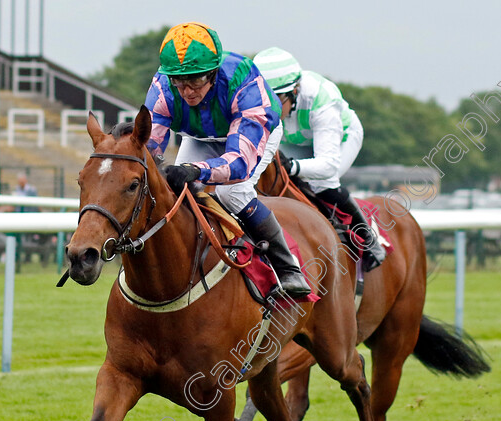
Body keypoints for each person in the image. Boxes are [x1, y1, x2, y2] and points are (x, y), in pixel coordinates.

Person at [143, 22, 310, 297]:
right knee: (173, 192)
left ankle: (287, 267)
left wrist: (194, 170)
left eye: (196, 80)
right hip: (199, 136)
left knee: (232, 193)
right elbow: (148, 147)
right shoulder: (163, 85)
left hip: (252, 131)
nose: (187, 92)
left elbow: (238, 165)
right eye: (180, 82)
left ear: (214, 72)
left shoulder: (243, 80)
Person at [253, 47, 386, 271]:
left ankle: (369, 240)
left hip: (341, 137)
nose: (271, 109)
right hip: (296, 140)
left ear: (295, 91)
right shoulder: (270, 99)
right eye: (265, 100)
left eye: (277, 101)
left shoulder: (322, 100)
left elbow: (327, 165)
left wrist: (293, 167)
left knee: (323, 182)